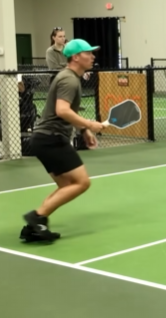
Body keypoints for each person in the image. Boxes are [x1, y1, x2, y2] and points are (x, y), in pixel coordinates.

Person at [21, 39, 105, 243]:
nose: (93, 56)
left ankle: (35, 226)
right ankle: (37, 217)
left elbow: (68, 112)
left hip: (44, 139)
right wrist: (90, 123)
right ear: (76, 57)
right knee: (82, 182)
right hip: (51, 139)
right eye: (88, 53)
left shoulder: (69, 77)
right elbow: (62, 110)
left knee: (66, 184)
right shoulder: (69, 80)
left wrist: (83, 129)